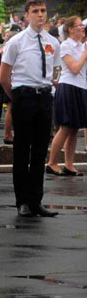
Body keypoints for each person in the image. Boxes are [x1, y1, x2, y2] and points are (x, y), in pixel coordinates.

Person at [0, 0, 60, 218]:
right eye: (35, 11)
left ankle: (36, 200)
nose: (40, 15)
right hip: (24, 95)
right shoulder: (17, 41)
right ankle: (22, 200)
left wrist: (50, 89)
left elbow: (56, 69)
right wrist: (15, 97)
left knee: (41, 150)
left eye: (43, 10)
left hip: (44, 96)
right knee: (22, 150)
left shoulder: (52, 40)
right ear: (27, 15)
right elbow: (4, 75)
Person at [47, 15, 87, 177]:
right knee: (65, 127)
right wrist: (85, 53)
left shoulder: (80, 46)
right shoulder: (66, 46)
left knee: (74, 128)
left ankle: (69, 164)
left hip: (81, 87)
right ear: (70, 29)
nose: (82, 28)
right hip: (68, 86)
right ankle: (52, 162)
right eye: (78, 25)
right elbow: (74, 68)